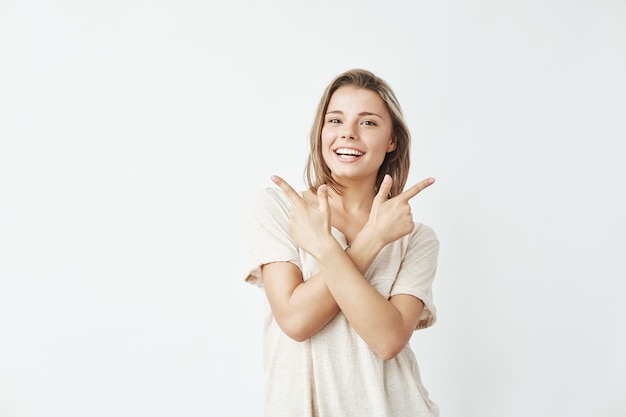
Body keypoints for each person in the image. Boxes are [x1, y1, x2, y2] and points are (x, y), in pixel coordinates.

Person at [245, 68, 440, 417]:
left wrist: (327, 247)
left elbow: (387, 340)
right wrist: (372, 239)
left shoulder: (415, 239)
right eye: (335, 120)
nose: (347, 134)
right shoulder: (280, 210)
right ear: (321, 131)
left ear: (392, 140)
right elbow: (295, 321)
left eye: (367, 123)